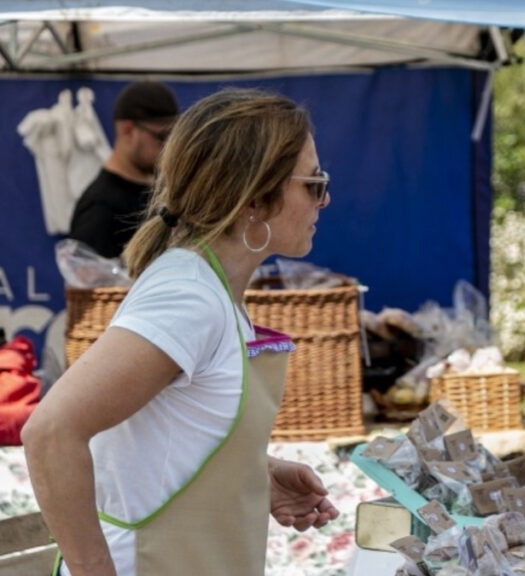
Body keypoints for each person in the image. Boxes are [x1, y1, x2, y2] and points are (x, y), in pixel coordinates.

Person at [23, 88, 338, 576]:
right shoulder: (188, 297)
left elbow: (161, 439)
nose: (325, 197)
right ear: (255, 197)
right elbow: (50, 432)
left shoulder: (211, 289)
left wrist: (253, 474)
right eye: (313, 183)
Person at [68, 81, 179, 259]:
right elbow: (87, 281)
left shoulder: (160, 192)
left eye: (173, 137)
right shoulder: (100, 207)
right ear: (128, 131)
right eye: (162, 137)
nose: (168, 147)